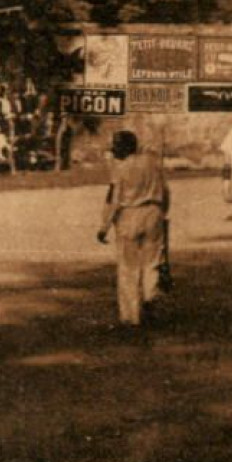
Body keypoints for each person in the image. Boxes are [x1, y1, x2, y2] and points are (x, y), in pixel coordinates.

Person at [96, 130, 170, 327]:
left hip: (129, 215)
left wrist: (104, 227)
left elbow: (114, 200)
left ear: (123, 149)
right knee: (152, 261)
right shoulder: (153, 163)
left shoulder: (120, 169)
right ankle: (149, 294)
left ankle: (131, 317)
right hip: (154, 212)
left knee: (128, 268)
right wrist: (163, 213)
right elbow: (166, 191)